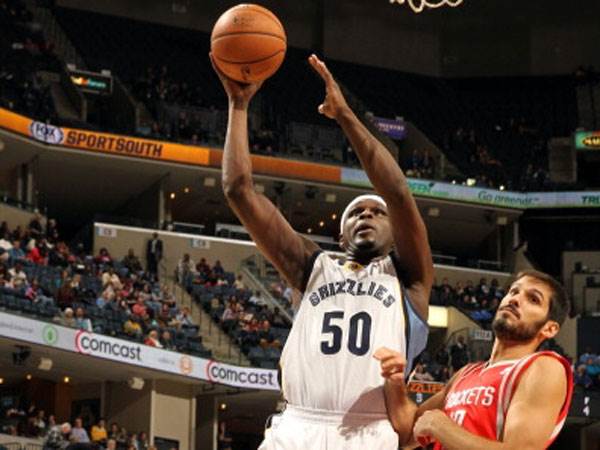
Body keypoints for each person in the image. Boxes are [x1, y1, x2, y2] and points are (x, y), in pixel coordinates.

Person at [212, 53, 433, 449]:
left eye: (377, 212)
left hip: (372, 433)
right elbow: (237, 190)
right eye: (356, 213)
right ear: (341, 233)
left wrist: (345, 115)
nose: (367, 214)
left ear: (395, 229)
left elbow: (398, 192)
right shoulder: (312, 267)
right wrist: (239, 105)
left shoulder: (410, 278)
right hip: (296, 427)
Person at [375, 270, 573, 449]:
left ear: (549, 328)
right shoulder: (466, 373)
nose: (515, 299)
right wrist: (395, 381)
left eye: (533, 299)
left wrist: (442, 428)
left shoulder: (545, 367)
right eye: (513, 291)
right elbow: (409, 433)